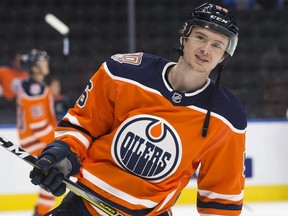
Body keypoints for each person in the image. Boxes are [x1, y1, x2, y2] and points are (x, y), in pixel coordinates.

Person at [29, 3, 247, 216]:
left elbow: (221, 198)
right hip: (85, 206)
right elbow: (83, 125)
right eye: (200, 37)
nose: (205, 49)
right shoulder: (123, 73)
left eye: (217, 45)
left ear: (224, 56)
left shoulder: (227, 117)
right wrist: (63, 155)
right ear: (184, 36)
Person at [16, 49, 58, 216]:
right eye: (42, 61)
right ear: (34, 67)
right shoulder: (34, 90)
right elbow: (39, 126)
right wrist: (58, 142)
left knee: (52, 180)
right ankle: (40, 213)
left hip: (35, 141)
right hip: (35, 142)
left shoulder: (35, 86)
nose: (46, 63)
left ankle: (39, 213)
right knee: (54, 178)